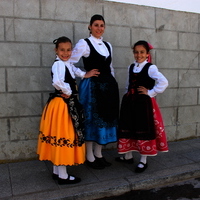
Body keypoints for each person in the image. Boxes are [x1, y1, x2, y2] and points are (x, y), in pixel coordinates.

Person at [37, 36, 99, 184]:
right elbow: (57, 81)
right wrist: (69, 91)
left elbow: (74, 69)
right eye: (62, 50)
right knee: (63, 135)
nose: (65, 53)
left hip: (61, 104)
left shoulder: (66, 63)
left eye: (68, 50)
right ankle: (63, 176)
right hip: (62, 105)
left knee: (58, 136)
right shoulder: (58, 64)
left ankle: (57, 171)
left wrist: (85, 74)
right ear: (56, 50)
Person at [70, 14, 119, 169]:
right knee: (92, 120)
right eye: (96, 25)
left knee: (105, 119)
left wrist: (112, 82)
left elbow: (110, 68)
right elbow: (69, 62)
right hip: (92, 88)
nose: (99, 28)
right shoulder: (84, 43)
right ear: (90, 26)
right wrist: (84, 74)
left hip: (108, 88)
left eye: (102, 25)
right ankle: (89, 156)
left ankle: (98, 154)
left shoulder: (108, 45)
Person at [115, 40, 169, 173]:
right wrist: (127, 95)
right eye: (136, 52)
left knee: (142, 128)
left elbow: (164, 82)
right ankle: (128, 156)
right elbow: (129, 84)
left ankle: (143, 160)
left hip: (142, 104)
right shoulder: (131, 67)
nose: (138, 55)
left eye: (142, 52)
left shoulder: (150, 68)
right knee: (128, 127)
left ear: (147, 54)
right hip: (130, 103)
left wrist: (150, 92)